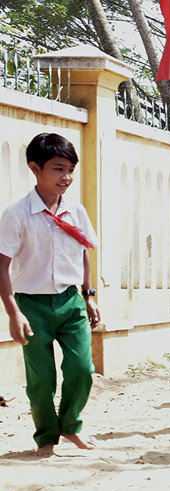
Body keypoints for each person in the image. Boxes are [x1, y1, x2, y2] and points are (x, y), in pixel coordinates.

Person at [0, 133, 100, 457]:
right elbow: (2, 266)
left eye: (70, 169)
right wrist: (14, 312)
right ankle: (46, 437)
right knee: (41, 379)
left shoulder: (76, 210)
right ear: (35, 168)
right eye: (58, 169)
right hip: (32, 305)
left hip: (71, 301)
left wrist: (89, 295)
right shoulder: (16, 214)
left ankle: (71, 426)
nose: (66, 177)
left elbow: (83, 251)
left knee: (82, 368)